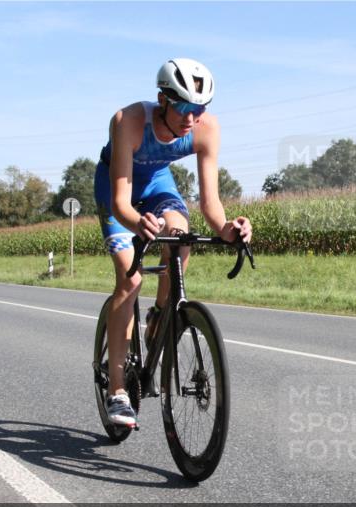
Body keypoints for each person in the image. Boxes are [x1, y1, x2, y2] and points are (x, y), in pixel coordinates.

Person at [93, 58, 252, 427]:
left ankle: (161, 316)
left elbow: (210, 204)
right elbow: (121, 203)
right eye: (183, 108)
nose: (191, 118)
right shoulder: (128, 121)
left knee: (181, 238)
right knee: (131, 279)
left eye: (199, 109)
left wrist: (228, 228)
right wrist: (137, 222)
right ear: (162, 99)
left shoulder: (206, 129)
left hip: (158, 186)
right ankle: (117, 390)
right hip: (118, 189)